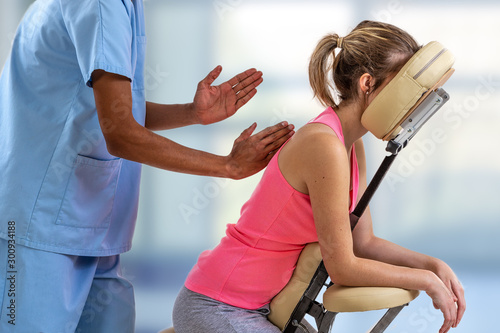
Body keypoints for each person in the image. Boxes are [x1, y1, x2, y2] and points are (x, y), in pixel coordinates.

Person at [0, 0, 294, 332]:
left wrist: (191, 114)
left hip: (88, 227)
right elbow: (121, 133)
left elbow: (110, 109)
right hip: (37, 226)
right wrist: (228, 166)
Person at [172, 20, 466, 333]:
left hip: (259, 308)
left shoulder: (352, 146)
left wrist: (433, 266)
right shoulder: (323, 145)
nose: (414, 103)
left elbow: (363, 243)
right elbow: (343, 268)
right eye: (406, 89)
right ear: (367, 84)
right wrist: (424, 281)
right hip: (217, 304)